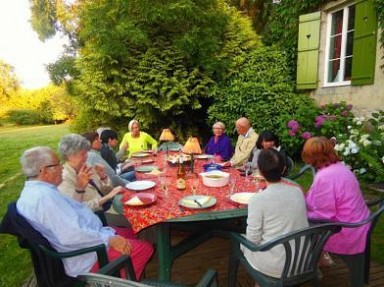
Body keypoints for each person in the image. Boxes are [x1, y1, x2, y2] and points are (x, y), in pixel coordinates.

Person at [16, 146, 154, 280]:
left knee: (134, 233)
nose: (62, 167)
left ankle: (127, 272)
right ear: (44, 171)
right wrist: (109, 240)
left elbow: (72, 213)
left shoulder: (38, 191)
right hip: (89, 254)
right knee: (145, 248)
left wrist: (80, 188)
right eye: (58, 164)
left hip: (93, 235)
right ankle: (114, 282)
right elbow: (70, 236)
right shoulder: (44, 198)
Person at [242, 148, 308, 280]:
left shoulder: (258, 200)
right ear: (284, 169)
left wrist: (241, 239)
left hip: (277, 265)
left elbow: (253, 240)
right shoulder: (297, 191)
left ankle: (261, 282)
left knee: (239, 240)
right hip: (303, 259)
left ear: (260, 171)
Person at [302, 137, 370, 257]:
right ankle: (320, 258)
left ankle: (308, 263)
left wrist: (299, 212)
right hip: (360, 224)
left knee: (297, 224)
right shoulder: (341, 167)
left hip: (347, 232)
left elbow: (323, 215)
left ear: (311, 157)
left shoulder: (325, 177)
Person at [58, 134, 122, 212]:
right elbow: (78, 208)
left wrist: (103, 177)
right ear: (69, 156)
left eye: (86, 153)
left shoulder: (86, 166)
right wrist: (108, 196)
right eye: (82, 154)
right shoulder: (64, 178)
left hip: (108, 206)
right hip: (97, 215)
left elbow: (107, 191)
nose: (86, 156)